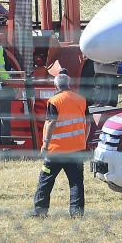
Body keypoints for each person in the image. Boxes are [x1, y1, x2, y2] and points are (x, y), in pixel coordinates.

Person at [32, 70, 88, 217]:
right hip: (76, 150)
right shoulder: (81, 99)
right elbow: (87, 122)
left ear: (55, 87)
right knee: (76, 182)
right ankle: (76, 212)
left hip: (55, 151)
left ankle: (40, 211)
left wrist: (45, 145)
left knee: (45, 179)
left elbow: (51, 123)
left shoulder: (54, 101)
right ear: (69, 85)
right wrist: (83, 141)